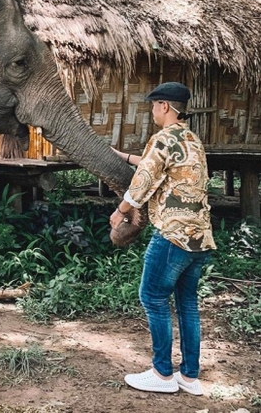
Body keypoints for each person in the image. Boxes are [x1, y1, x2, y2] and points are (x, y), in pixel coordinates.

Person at [110, 82, 216, 396]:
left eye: (154, 106)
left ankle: (162, 373)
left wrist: (121, 210)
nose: (153, 112)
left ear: (165, 106)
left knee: (152, 297)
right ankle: (189, 376)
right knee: (187, 305)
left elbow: (143, 180)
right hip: (200, 237)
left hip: (173, 235)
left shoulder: (163, 137)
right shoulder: (191, 139)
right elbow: (157, 166)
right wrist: (124, 156)